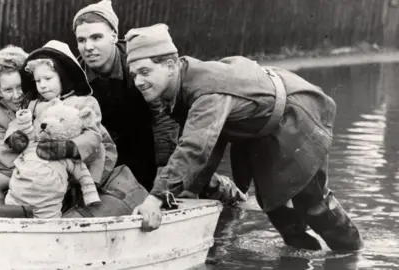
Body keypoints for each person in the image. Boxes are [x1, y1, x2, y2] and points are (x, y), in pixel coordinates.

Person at [126, 24, 364, 252]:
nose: (138, 81)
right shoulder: (178, 81)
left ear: (170, 65)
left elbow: (194, 147)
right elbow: (208, 144)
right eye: (134, 74)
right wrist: (184, 194)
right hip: (257, 131)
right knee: (277, 210)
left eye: (145, 72)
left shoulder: (207, 90)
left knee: (313, 204)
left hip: (293, 117)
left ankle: (350, 254)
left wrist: (156, 197)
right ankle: (300, 258)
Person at [72, 0, 179, 190]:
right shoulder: (74, 77)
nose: (88, 47)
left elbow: (163, 118)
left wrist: (164, 171)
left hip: (148, 142)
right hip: (105, 152)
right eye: (81, 40)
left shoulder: (137, 65)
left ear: (113, 36)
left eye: (96, 37)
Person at [4, 40, 117, 214]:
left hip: (74, 170)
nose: (42, 85)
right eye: (37, 80)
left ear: (63, 76)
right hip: (40, 171)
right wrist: (15, 136)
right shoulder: (34, 105)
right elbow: (17, 123)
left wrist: (70, 147)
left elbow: (93, 135)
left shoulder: (82, 103)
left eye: (48, 78)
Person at [0, 45, 29, 205]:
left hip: (47, 170)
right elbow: (1, 156)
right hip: (15, 172)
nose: (16, 96)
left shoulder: (40, 106)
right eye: (8, 90)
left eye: (20, 87)